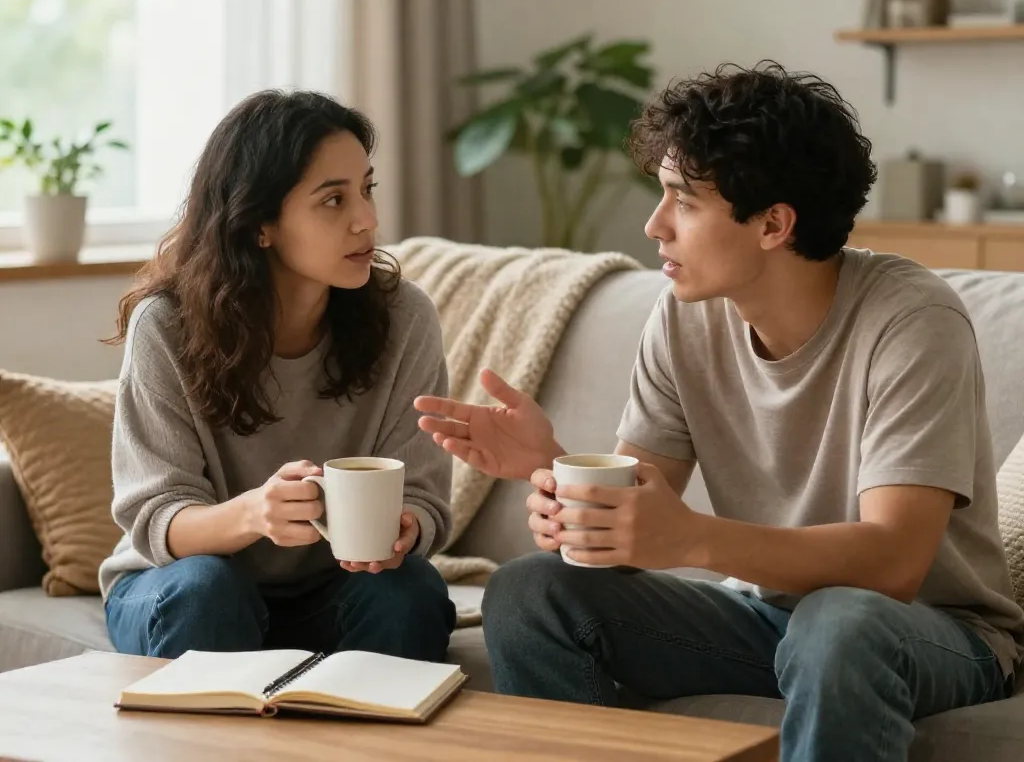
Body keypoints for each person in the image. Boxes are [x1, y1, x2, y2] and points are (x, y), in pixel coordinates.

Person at [414, 62, 1024, 761]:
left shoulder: (911, 319)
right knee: (531, 592)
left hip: (931, 631)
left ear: (773, 224)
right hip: (769, 617)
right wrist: (553, 470)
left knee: (841, 622)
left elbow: (893, 564)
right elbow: (638, 511)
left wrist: (694, 541)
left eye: (683, 200)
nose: (654, 225)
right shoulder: (682, 318)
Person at [99, 89, 455, 661]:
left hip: (328, 591)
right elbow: (157, 519)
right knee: (208, 589)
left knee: (408, 589)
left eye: (366, 190)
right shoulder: (165, 326)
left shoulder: (404, 317)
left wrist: (405, 529)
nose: (368, 219)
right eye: (333, 201)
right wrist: (255, 514)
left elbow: (424, 495)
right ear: (260, 224)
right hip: (177, 583)